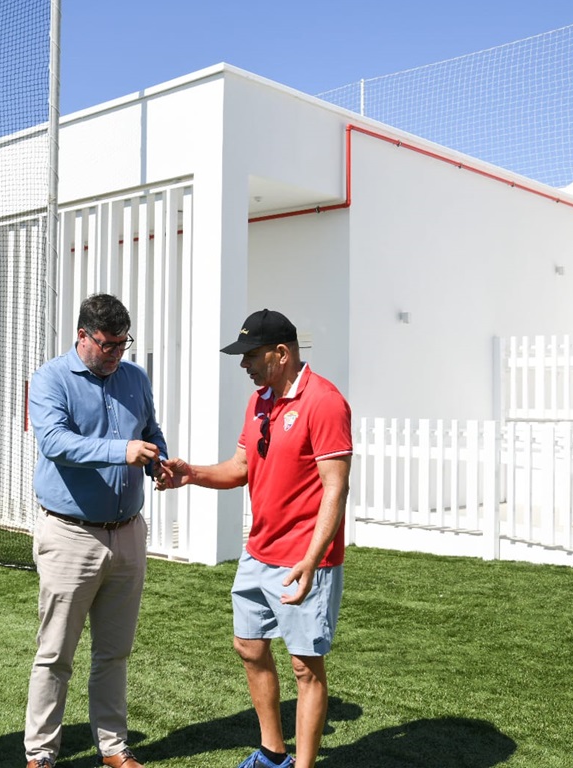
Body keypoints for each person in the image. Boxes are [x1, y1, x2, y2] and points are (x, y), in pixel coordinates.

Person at [158, 309, 352, 768]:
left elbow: (335, 488)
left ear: (280, 354)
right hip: (259, 552)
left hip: (304, 559)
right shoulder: (260, 401)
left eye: (251, 355)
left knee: (306, 666)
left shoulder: (325, 402)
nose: (244, 365)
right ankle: (272, 754)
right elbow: (242, 468)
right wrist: (192, 474)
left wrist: (311, 558)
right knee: (248, 646)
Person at [24, 293, 168, 768]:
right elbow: (55, 442)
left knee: (115, 652)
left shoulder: (135, 378)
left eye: (122, 345)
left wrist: (159, 463)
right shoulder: (49, 378)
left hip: (128, 532)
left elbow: (149, 430)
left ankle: (114, 747)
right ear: (82, 335)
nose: (115, 355)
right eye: (107, 345)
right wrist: (121, 450)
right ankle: (41, 754)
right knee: (55, 653)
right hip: (69, 534)